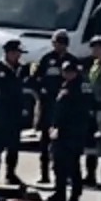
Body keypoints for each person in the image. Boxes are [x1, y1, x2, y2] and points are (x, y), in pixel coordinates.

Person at [47, 60, 93, 201]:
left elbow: (79, 111)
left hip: (72, 133)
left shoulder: (78, 87)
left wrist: (61, 127)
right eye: (65, 71)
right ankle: (59, 194)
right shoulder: (67, 86)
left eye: (70, 71)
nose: (67, 74)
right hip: (63, 132)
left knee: (72, 167)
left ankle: (73, 199)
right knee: (59, 165)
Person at [32, 30, 74, 185]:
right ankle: (44, 174)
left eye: (62, 42)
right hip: (47, 105)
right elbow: (35, 78)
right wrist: (41, 92)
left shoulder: (72, 61)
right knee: (44, 142)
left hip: (64, 108)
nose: (58, 45)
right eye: (56, 42)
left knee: (65, 144)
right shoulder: (46, 59)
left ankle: (66, 174)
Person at [0, 39, 28, 186]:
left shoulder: (21, 69)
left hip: (15, 114)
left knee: (14, 146)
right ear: (8, 53)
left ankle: (10, 174)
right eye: (16, 53)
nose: (18, 56)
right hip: (1, 113)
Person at [84, 35, 101, 187]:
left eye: (97, 47)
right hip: (92, 107)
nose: (94, 50)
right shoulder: (95, 64)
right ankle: (90, 174)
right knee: (90, 143)